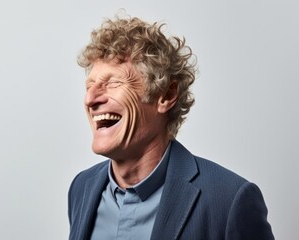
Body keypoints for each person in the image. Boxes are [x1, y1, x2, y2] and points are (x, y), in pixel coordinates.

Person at [68, 15, 274, 240]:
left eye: (113, 83)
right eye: (89, 86)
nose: (90, 98)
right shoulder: (81, 188)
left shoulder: (229, 200)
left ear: (166, 95)